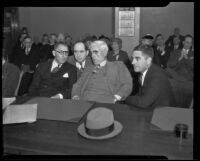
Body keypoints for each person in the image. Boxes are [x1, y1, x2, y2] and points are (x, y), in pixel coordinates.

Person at [125, 44, 175, 108]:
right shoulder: (144, 70)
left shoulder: (157, 75)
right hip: (151, 108)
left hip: (165, 112)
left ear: (148, 60)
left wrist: (125, 98)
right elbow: (141, 94)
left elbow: (143, 102)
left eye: (137, 59)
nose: (133, 62)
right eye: (132, 58)